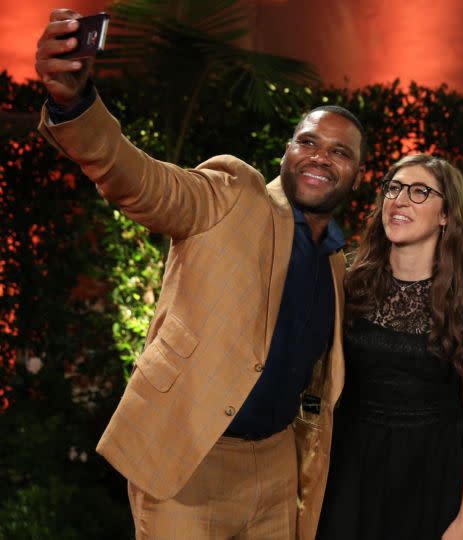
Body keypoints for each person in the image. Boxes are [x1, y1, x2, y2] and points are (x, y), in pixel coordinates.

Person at [35, 9, 362, 538]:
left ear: (357, 173)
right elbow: (139, 180)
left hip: (277, 471)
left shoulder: (338, 262)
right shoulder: (234, 194)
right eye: (307, 142)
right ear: (287, 152)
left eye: (339, 151)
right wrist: (74, 104)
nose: (319, 157)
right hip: (189, 459)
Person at [316, 154, 463, 539]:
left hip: (438, 474)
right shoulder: (351, 279)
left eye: (420, 192)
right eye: (393, 188)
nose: (400, 200)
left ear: (446, 215)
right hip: (355, 469)